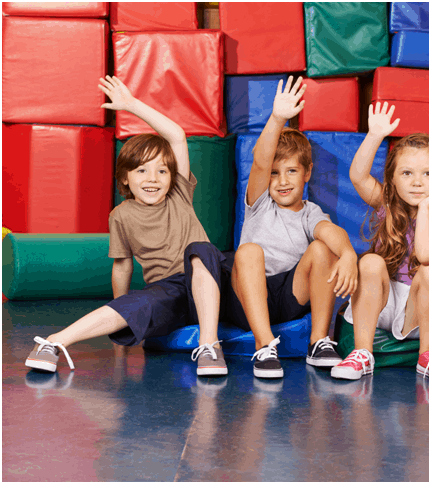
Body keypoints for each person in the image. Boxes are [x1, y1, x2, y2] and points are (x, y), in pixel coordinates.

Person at [26, 75, 231, 377]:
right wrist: (121, 307)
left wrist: (131, 105)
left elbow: (175, 135)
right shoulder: (121, 215)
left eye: (162, 170)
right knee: (137, 301)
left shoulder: (178, 193)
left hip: (210, 280)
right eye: (142, 171)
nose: (153, 178)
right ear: (125, 178)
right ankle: (53, 343)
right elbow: (122, 266)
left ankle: (210, 346)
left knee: (200, 250)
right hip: (169, 290)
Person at [231, 76, 358, 379]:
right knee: (248, 251)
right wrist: (277, 117)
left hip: (290, 296)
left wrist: (349, 255)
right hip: (249, 295)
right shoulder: (260, 202)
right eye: (275, 173)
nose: (283, 180)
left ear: (307, 173)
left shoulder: (309, 213)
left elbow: (331, 233)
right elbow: (261, 162)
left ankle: (319, 342)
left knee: (321, 248)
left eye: (291, 171)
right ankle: (264, 346)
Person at [330, 101, 429, 383]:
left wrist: (425, 210)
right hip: (379, 303)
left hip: (417, 310)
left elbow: (427, 255)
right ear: (391, 178)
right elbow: (358, 176)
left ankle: (427, 357)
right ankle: (363, 353)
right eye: (407, 173)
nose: (417, 182)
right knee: (371, 261)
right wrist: (375, 135)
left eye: (427, 174)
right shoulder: (386, 203)